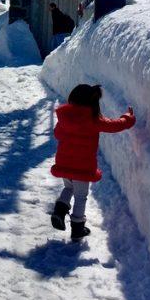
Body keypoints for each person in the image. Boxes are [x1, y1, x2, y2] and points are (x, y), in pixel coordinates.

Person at [49, 84, 136, 241]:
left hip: (64, 162)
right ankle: (77, 228)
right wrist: (128, 119)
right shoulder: (93, 120)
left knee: (68, 187)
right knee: (81, 197)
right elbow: (114, 125)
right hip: (82, 167)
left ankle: (59, 211)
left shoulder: (64, 117)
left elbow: (57, 133)